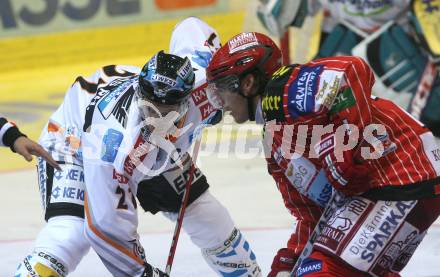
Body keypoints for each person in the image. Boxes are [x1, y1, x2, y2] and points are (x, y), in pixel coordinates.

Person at [15, 18, 262, 277]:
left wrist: (217, 68)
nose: (156, 120)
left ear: (186, 101)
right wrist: (141, 272)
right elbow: (104, 228)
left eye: (168, 111)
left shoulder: (207, 81)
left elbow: (190, 26)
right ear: (139, 95)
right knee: (69, 236)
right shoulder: (114, 145)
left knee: (210, 220)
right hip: (73, 141)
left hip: (155, 151)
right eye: (150, 109)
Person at [206, 31, 440, 276]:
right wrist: (288, 261)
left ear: (247, 84)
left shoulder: (284, 90)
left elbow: (350, 70)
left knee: (323, 271)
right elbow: (312, 215)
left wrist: (343, 148)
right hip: (388, 186)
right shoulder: (272, 140)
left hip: (404, 170)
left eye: (221, 88)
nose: (219, 101)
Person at [257, 0, 440, 138]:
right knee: (309, 113)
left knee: (431, 116)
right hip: (345, 45)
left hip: (398, 50)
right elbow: (279, 15)